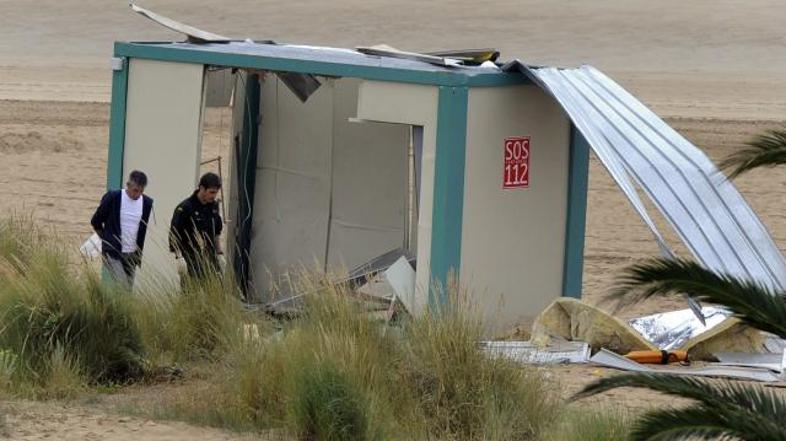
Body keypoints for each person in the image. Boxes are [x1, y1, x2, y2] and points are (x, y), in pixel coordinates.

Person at [90, 170, 154, 289]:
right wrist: (105, 238)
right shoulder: (113, 197)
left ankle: (111, 302)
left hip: (132, 254)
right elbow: (96, 220)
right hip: (113, 251)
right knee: (123, 285)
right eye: (135, 190)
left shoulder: (146, 203)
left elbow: (142, 229)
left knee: (128, 290)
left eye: (141, 191)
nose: (138, 194)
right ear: (128, 185)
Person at [169, 172, 224, 280]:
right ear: (202, 188)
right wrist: (179, 257)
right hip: (191, 260)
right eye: (211, 192)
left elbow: (216, 232)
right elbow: (174, 234)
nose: (214, 196)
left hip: (210, 260)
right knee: (192, 289)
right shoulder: (185, 207)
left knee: (215, 288)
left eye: (216, 192)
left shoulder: (214, 206)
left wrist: (219, 253)